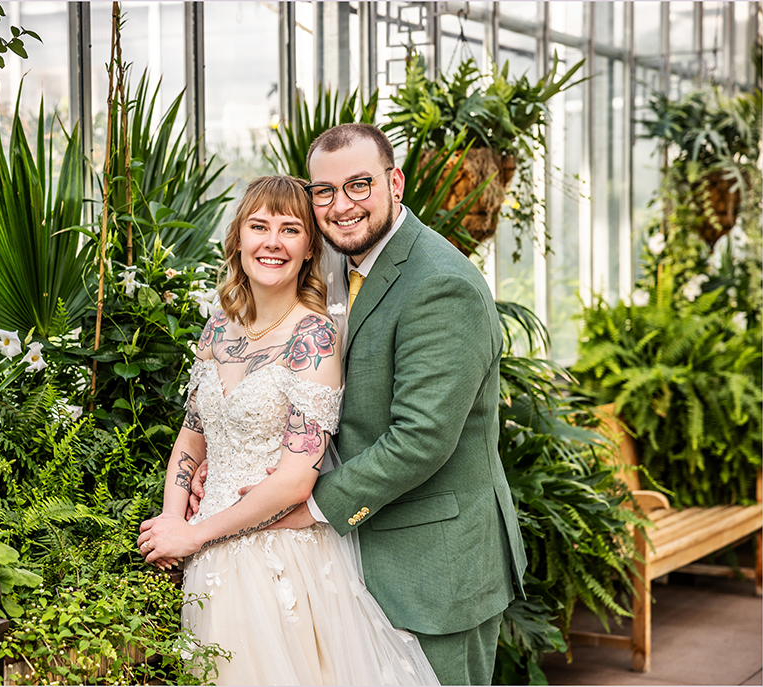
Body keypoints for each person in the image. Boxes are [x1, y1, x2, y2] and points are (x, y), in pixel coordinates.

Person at [191, 124, 528, 686]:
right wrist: (229, 456)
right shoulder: (338, 270)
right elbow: (318, 398)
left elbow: (420, 438)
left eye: (359, 185)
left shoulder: (440, 284)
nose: (340, 205)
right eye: (324, 191)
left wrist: (306, 504)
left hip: (432, 565)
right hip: (350, 565)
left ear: (395, 183)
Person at [136, 175, 438, 686]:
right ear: (238, 240)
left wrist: (192, 534)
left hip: (275, 554)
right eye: (258, 226)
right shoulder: (218, 327)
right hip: (206, 556)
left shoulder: (314, 336)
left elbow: (298, 478)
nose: (271, 241)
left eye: (290, 229)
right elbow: (192, 437)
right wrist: (170, 523)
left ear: (308, 250)